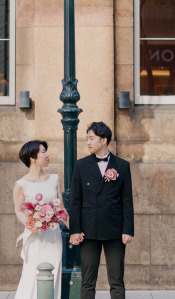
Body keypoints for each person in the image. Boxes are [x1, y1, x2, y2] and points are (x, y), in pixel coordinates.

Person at [69, 122, 134, 299]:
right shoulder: (81, 165)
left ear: (104, 140)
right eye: (87, 139)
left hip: (115, 231)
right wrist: (74, 230)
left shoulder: (122, 165)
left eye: (91, 138)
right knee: (88, 282)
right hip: (88, 231)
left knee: (117, 281)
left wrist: (127, 230)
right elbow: (75, 200)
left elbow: (127, 201)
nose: (88, 142)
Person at [13, 140, 65, 299]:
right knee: (31, 274)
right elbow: (19, 210)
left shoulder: (54, 179)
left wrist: (74, 230)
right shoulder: (21, 184)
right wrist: (32, 224)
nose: (47, 155)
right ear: (32, 157)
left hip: (53, 235)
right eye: (43, 152)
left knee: (54, 272)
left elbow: (61, 209)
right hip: (34, 236)